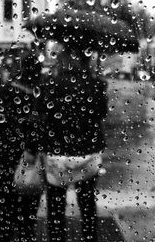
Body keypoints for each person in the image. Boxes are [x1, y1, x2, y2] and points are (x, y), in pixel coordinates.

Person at [35, 41, 108, 242]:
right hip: (88, 152)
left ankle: (57, 238)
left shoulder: (50, 83)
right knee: (87, 204)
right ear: (86, 60)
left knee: (56, 206)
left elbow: (41, 111)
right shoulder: (96, 84)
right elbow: (101, 113)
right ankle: (89, 237)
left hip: (57, 152)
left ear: (62, 59)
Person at [0, 48, 43, 242]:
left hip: (2, 162)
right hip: (27, 163)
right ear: (38, 72)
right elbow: (39, 132)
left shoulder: (4, 92)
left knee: (5, 213)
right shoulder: (38, 97)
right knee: (27, 216)